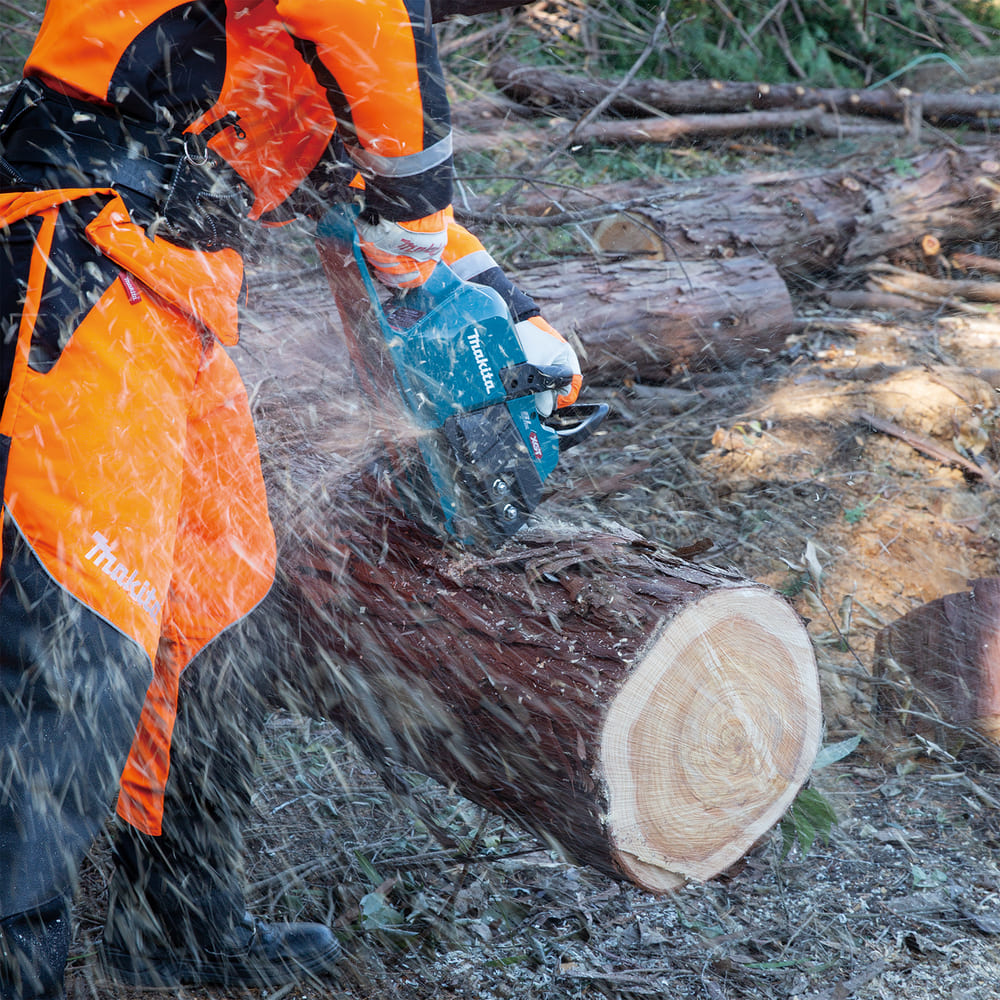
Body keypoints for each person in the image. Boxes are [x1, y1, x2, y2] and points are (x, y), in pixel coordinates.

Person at [0, 1, 581, 997]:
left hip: (177, 290)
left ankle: (173, 921)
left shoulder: (293, 51)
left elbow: (355, 189)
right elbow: (383, 87)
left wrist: (510, 310)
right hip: (86, 253)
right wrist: (418, 194)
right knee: (79, 629)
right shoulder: (366, 24)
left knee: (225, 605)